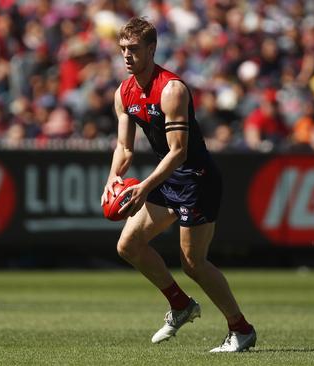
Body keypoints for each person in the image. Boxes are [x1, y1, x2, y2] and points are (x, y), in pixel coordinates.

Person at [101, 17, 256, 353]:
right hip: (167, 177)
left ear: (152, 49)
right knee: (128, 246)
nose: (127, 56)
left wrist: (143, 187)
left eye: (134, 49)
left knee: (193, 262)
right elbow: (125, 148)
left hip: (196, 180)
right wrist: (113, 177)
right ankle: (181, 304)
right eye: (123, 49)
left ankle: (240, 329)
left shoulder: (172, 90)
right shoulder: (124, 92)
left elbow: (179, 152)